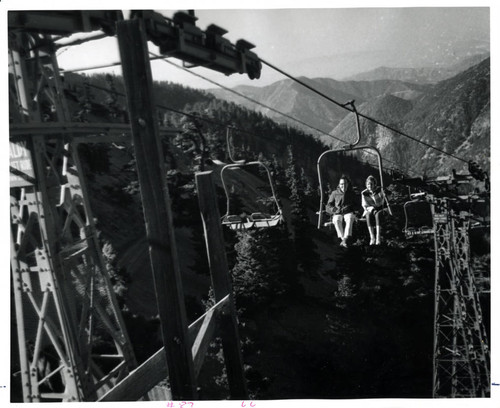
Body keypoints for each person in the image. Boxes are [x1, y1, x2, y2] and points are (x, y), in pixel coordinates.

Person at [326, 175, 356, 248]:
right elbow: (329, 205)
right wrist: (334, 209)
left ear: (347, 184)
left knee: (350, 218)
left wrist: (352, 209)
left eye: (345, 183)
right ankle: (343, 239)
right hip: (338, 212)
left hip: (348, 212)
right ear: (339, 185)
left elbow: (356, 204)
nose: (343, 185)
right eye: (342, 184)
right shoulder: (334, 193)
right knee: (336, 220)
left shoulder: (351, 193)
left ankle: (345, 239)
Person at [361, 175, 388, 245]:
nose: (369, 185)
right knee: (368, 215)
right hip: (370, 209)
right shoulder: (364, 193)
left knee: (378, 215)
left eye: (371, 184)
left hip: (380, 208)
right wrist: (372, 209)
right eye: (368, 184)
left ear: (374, 184)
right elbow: (364, 205)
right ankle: (372, 237)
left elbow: (382, 201)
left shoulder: (379, 190)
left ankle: (378, 236)